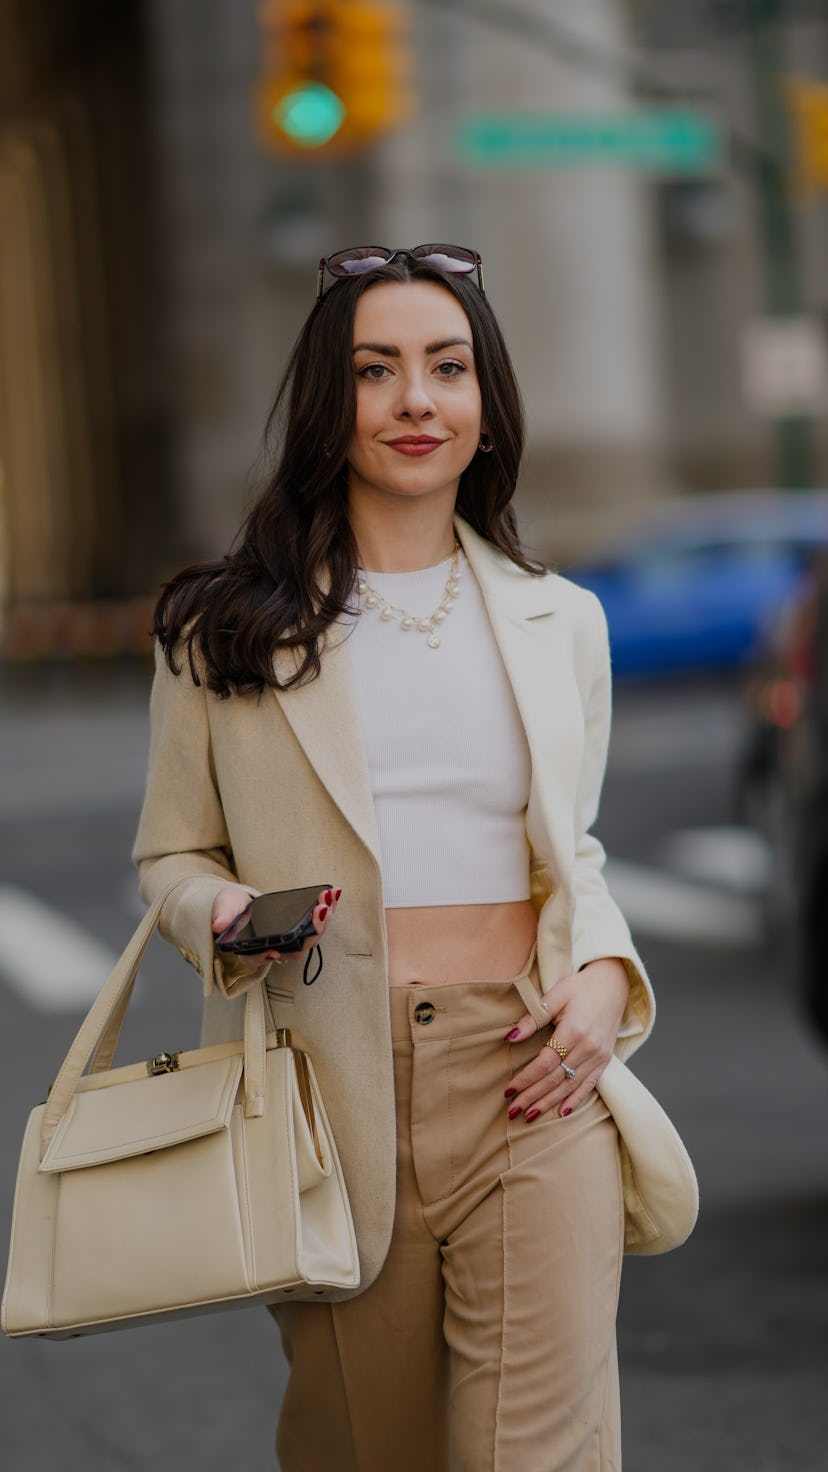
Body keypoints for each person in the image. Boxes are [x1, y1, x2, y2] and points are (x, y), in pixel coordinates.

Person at [133, 243, 656, 1471]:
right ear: (331, 402)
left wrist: (605, 975)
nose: (418, 400)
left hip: (530, 1066)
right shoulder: (226, 628)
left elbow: (569, 849)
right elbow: (170, 850)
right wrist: (223, 911)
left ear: (488, 403)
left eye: (448, 367)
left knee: (534, 1454)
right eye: (378, 371)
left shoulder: (558, 618)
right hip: (328, 1083)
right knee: (368, 1446)